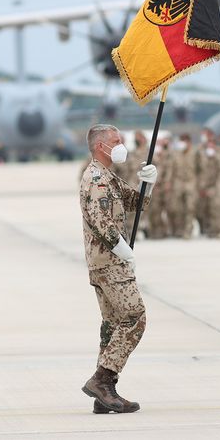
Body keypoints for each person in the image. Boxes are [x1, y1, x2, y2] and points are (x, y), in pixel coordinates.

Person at [79, 124, 157, 414]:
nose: (121, 144)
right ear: (101, 146)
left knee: (112, 327)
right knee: (135, 318)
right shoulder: (96, 178)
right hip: (110, 262)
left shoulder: (107, 177)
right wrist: (119, 247)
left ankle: (104, 394)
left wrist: (148, 181)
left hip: (107, 261)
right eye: (116, 141)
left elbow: (137, 203)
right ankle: (102, 380)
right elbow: (100, 221)